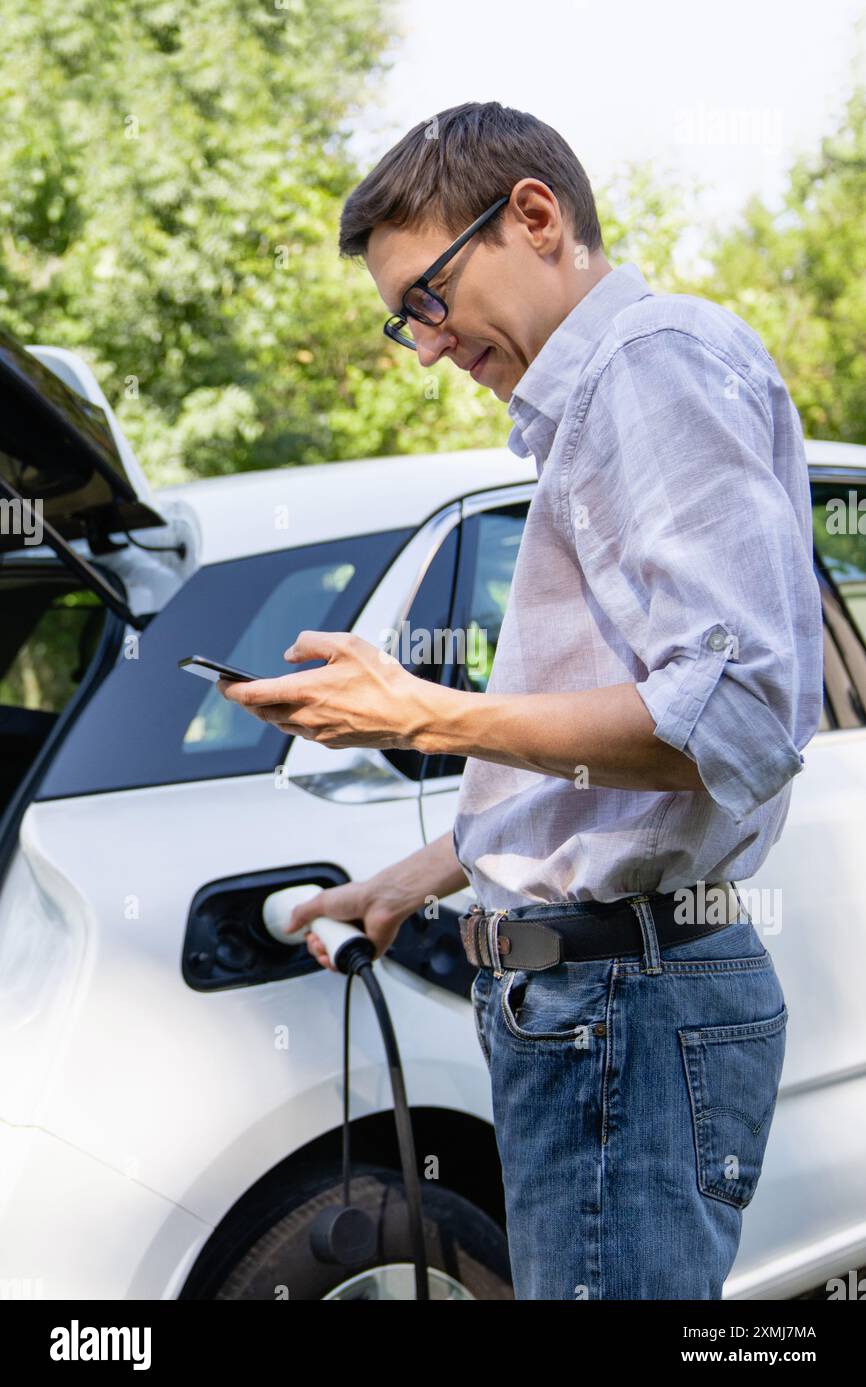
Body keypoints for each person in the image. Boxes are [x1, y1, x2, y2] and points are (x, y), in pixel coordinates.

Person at [217, 101, 823, 1299]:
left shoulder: (645, 371)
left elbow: (733, 713)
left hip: (622, 1009)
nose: (428, 345)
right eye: (407, 323)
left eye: (427, 298)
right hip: (600, 1004)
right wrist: (412, 879)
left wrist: (417, 715)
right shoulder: (606, 402)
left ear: (533, 217)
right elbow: (607, 759)